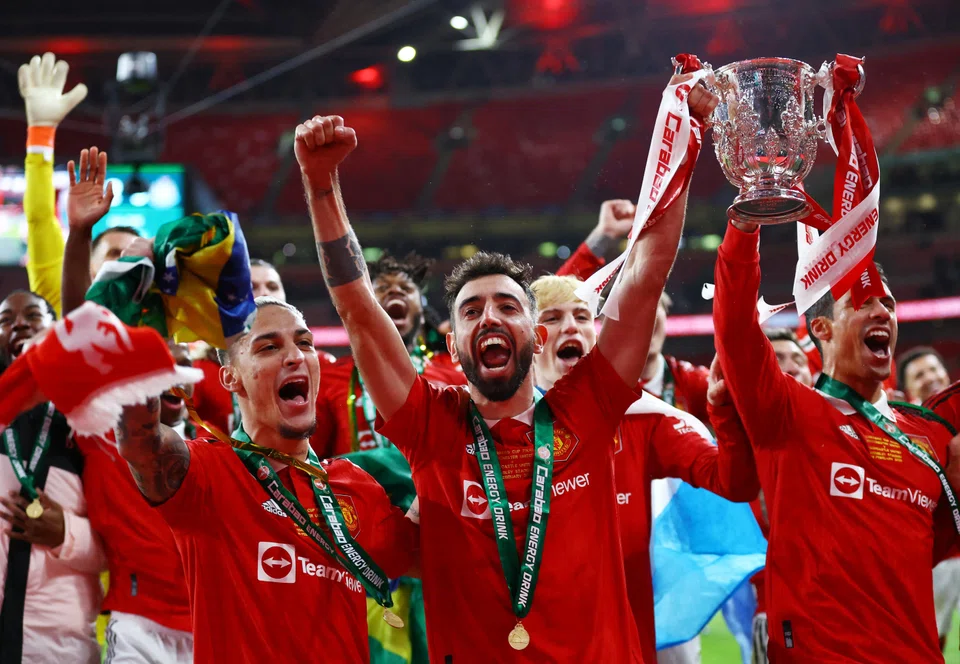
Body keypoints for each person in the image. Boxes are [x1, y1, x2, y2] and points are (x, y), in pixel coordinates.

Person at [300, 71, 716, 662]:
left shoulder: (591, 406)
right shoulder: (430, 424)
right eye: (471, 309)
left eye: (506, 306)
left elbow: (647, 268)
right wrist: (321, 188)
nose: (489, 316)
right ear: (453, 342)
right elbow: (359, 311)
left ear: (536, 332)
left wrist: (685, 132)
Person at [713, 212, 960, 662]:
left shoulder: (928, 433)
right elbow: (736, 332)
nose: (881, 310)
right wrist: (744, 231)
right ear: (822, 329)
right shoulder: (789, 412)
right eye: (862, 303)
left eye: (886, 303)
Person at [115, 297, 417, 662]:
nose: (295, 356)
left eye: (305, 343)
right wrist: (141, 331)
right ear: (231, 376)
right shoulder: (205, 472)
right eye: (269, 347)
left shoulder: (356, 486)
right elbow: (139, 438)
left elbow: (425, 549)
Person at [530, 274, 758, 662]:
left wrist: (725, 413)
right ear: (530, 341)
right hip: (533, 645)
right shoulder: (493, 431)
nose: (571, 326)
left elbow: (734, 482)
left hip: (626, 645)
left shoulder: (641, 418)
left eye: (583, 317)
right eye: (552, 318)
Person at [0, 289, 104, 663]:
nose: (19, 324)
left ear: (54, 330)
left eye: (32, 315)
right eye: (5, 320)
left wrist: (67, 535)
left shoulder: (90, 421)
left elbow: (124, 544)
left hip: (58, 648)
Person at [557, 203, 709, 421]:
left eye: (653, 308)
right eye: (628, 311)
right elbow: (554, 299)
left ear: (667, 313)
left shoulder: (690, 383)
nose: (642, 320)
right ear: (605, 325)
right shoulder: (589, 385)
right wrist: (603, 236)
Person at [313, 251, 465, 459]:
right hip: (355, 491)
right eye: (383, 288)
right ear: (364, 309)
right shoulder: (329, 378)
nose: (395, 290)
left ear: (422, 315)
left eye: (406, 288)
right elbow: (313, 461)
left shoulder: (454, 376)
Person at [738, 328, 813, 664]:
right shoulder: (744, 443)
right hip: (781, 614)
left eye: (799, 359)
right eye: (777, 359)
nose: (791, 365)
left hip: (851, 609)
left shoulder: (844, 434)